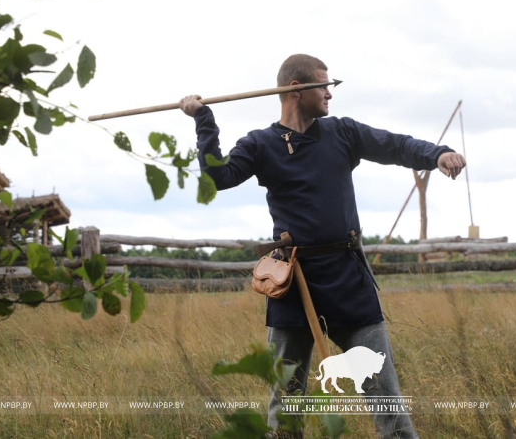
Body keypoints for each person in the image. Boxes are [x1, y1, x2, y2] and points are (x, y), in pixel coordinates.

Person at [180, 54, 466, 439]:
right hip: (293, 282)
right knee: (287, 405)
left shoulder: (342, 133)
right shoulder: (261, 144)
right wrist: (203, 120)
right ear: (296, 89)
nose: (330, 93)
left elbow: (393, 145)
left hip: (348, 279)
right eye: (323, 85)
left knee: (386, 398)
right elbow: (218, 177)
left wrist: (436, 154)